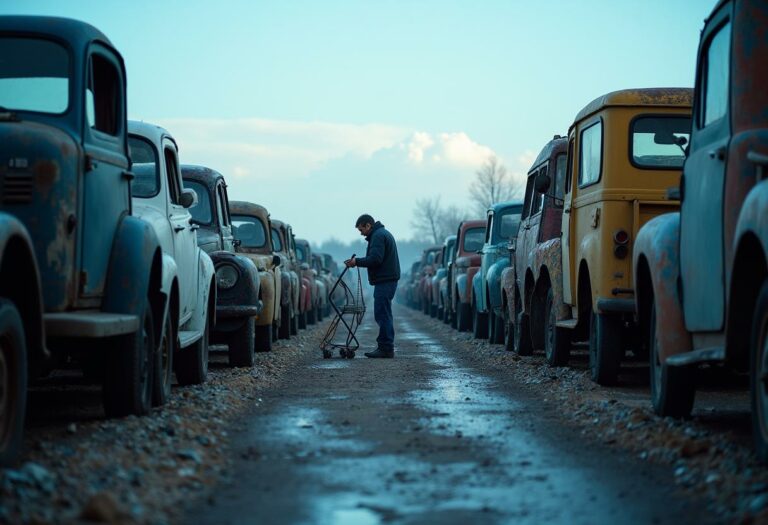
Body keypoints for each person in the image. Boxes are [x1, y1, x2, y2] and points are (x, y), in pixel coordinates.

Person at [345, 214, 401, 358]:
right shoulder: (382, 234)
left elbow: (375, 259)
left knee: (383, 314)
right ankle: (385, 347)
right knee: (384, 313)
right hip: (387, 280)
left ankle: (386, 348)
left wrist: (356, 262)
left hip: (385, 280)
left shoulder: (377, 236)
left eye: (361, 229)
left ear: (368, 225)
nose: (361, 233)